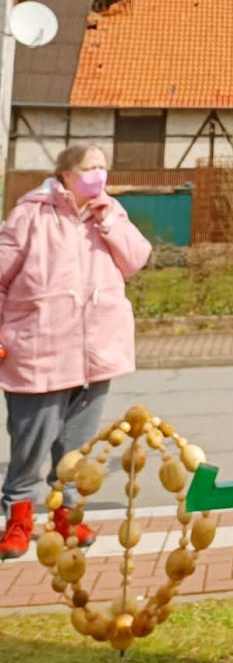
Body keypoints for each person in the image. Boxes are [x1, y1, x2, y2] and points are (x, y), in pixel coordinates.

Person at [0, 144, 152, 560]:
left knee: (77, 449)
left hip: (94, 352)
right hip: (38, 350)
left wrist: (109, 222)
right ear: (66, 173)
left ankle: (67, 514)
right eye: (90, 168)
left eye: (103, 167)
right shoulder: (32, 214)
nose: (98, 175)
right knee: (32, 443)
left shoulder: (110, 214)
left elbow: (137, 258)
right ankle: (19, 517)